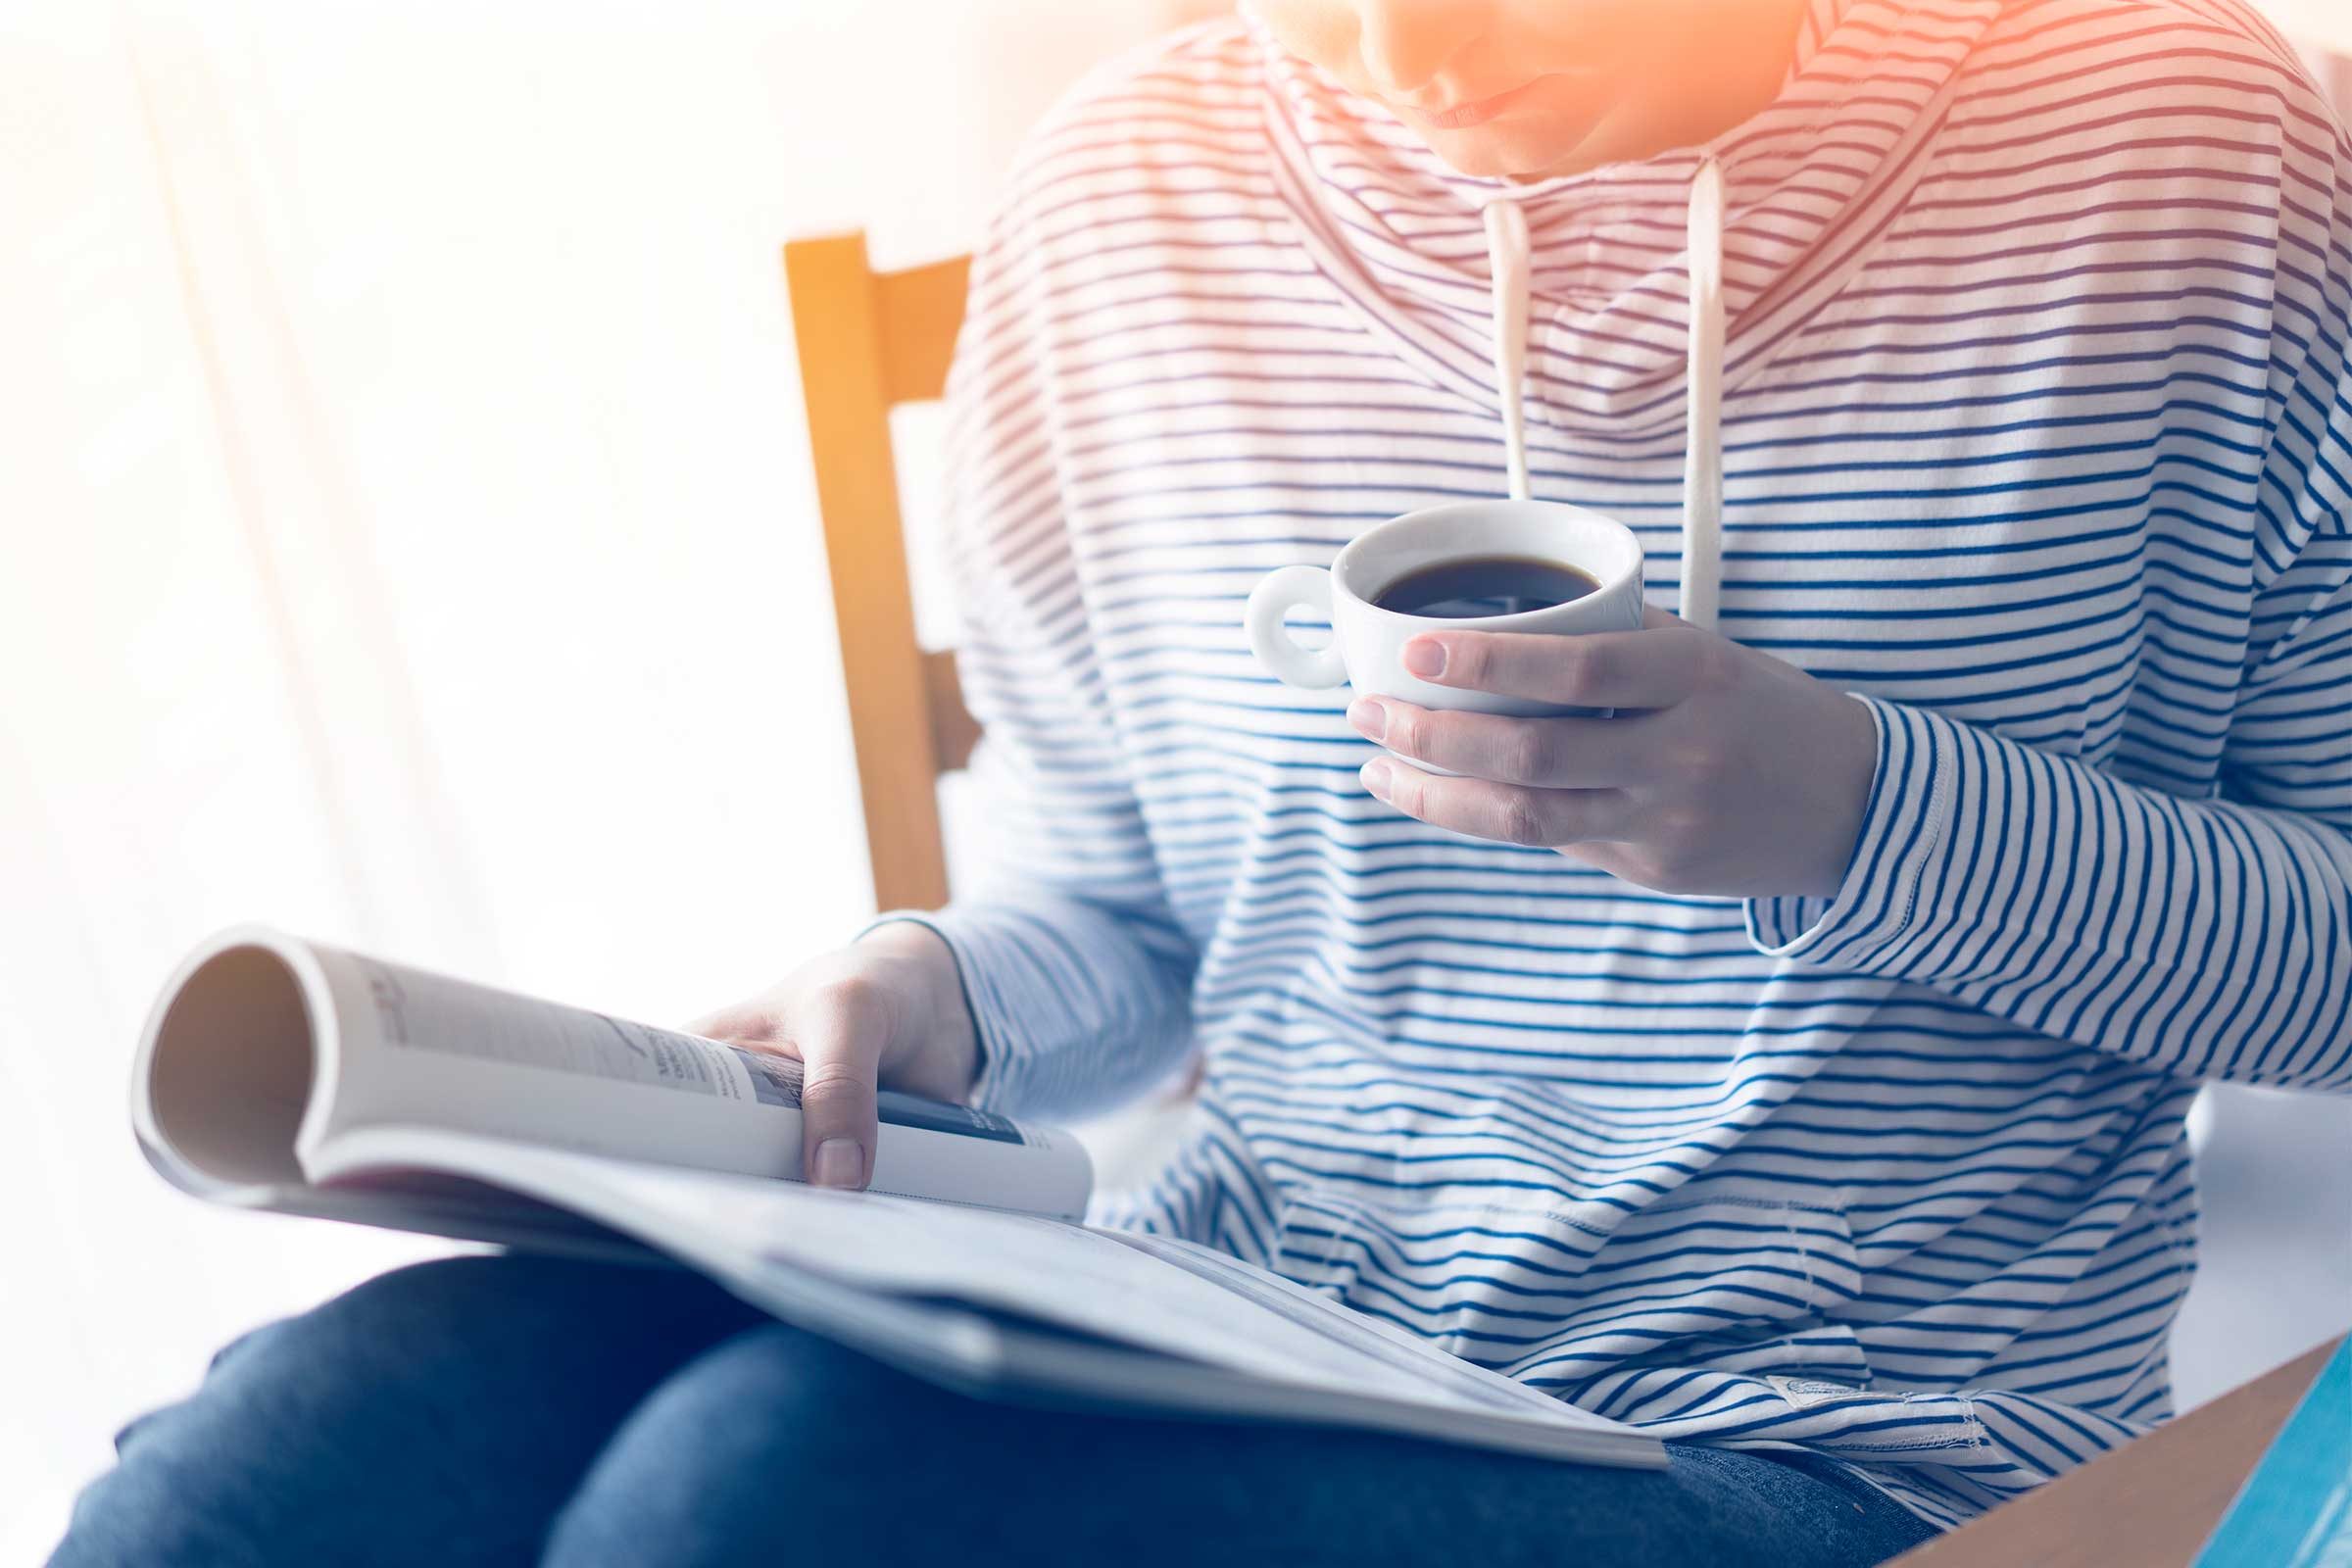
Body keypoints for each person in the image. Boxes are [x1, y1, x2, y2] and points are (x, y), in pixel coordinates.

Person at [56, 0, 2351, 1563]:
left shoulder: (2180, 146)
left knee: (763, 1503)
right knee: (286, 1462)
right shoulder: (1130, 197)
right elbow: (1126, 911)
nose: (1396, 52)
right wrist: (922, 983)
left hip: (1832, 1433)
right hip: (1240, 1302)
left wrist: (1851, 814)